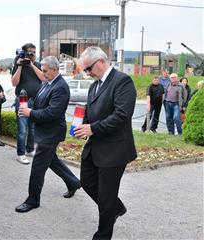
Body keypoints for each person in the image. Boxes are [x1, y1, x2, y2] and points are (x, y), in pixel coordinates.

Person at [74, 47, 137, 240]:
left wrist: (92, 128)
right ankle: (116, 208)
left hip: (115, 148)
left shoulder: (122, 81)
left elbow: (122, 116)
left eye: (88, 68)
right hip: (95, 147)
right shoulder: (94, 85)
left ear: (101, 62)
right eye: (85, 70)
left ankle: (103, 235)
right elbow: (91, 112)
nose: (87, 73)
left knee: (107, 196)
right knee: (86, 182)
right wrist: (82, 123)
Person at [15, 56, 81, 213]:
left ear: (55, 69)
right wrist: (28, 106)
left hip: (51, 133)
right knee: (52, 161)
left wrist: (30, 112)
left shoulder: (60, 87)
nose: (42, 73)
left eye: (45, 71)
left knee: (38, 167)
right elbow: (41, 103)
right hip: (45, 131)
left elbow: (52, 113)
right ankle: (73, 182)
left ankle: (32, 200)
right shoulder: (48, 82)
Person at [11, 43, 45, 164]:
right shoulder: (18, 64)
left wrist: (31, 65)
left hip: (36, 100)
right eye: (29, 52)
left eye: (34, 52)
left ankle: (30, 149)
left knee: (33, 128)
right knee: (22, 129)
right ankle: (21, 153)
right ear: (24, 53)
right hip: (22, 100)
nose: (32, 55)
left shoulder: (37, 65)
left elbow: (43, 78)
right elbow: (14, 83)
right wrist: (20, 66)